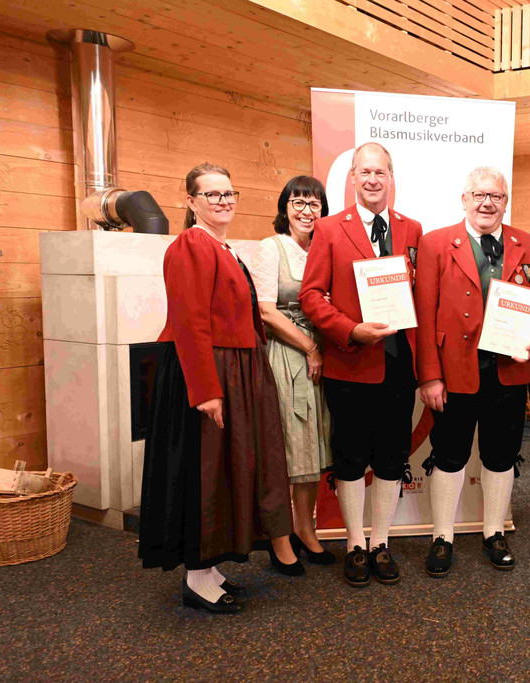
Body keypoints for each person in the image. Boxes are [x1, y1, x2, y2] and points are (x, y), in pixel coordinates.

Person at [138, 162, 297, 615]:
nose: (223, 201)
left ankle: (208, 570)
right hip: (209, 373)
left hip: (234, 370)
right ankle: (196, 577)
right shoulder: (191, 244)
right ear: (191, 202)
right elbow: (189, 321)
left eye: (229, 193)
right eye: (212, 194)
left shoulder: (221, 247)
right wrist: (207, 390)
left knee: (225, 472)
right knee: (204, 473)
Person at [415, 166, 530, 576]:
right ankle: (442, 537)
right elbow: (423, 313)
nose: (487, 203)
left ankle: (494, 533)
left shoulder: (526, 244)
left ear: (505, 202)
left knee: (501, 455)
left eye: (495, 196)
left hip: (508, 371)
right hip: (453, 371)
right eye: (479, 195)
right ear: (464, 199)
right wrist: (429, 375)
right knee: (449, 455)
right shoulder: (436, 243)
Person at [299, 143, 422, 588]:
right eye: (364, 172)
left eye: (380, 172)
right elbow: (311, 295)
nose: (372, 180)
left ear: (391, 177)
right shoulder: (329, 229)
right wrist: (350, 329)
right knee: (350, 458)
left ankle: (380, 543)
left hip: (398, 367)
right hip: (350, 364)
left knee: (392, 457)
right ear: (352, 177)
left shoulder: (412, 229)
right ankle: (355, 543)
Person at [251, 175, 335, 567]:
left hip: (321, 353)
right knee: (287, 448)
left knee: (313, 446)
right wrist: (309, 348)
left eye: (314, 203)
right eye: (297, 202)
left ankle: (305, 528)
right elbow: (266, 312)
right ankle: (279, 536)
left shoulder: (324, 247)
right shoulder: (272, 248)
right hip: (286, 354)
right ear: (285, 208)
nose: (306, 210)